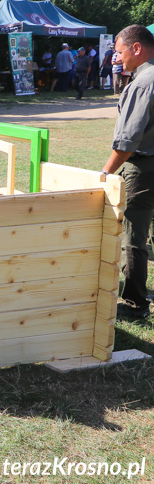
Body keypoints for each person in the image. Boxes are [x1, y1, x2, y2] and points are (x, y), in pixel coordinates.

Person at [101, 25, 154, 319]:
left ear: (136, 48)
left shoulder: (143, 82)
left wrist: (105, 172)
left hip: (143, 168)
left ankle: (135, 304)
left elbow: (127, 141)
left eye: (119, 52)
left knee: (134, 236)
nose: (117, 59)